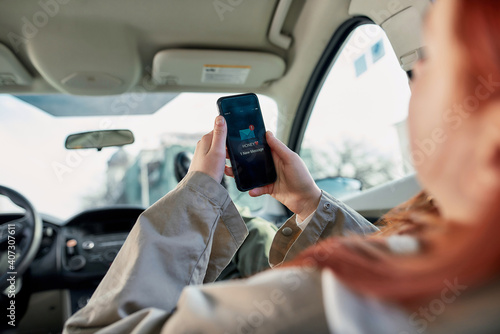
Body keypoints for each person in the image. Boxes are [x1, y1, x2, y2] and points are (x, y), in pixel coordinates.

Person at [64, 0, 500, 332]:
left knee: (253, 232)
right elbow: (393, 257)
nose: (417, 72)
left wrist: (198, 189)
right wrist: (310, 203)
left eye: (433, 59)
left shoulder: (331, 306)